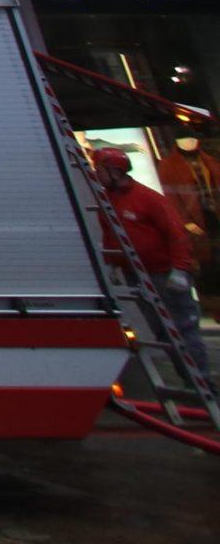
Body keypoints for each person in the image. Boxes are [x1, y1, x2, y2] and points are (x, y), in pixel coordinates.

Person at [94, 146, 209, 387]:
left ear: (115, 171)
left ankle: (202, 382)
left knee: (183, 329)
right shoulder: (108, 201)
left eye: (100, 169)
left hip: (164, 273)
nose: (97, 174)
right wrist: (112, 264)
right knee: (161, 331)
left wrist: (179, 269)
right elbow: (110, 234)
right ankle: (189, 379)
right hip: (137, 274)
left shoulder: (149, 199)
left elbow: (176, 234)